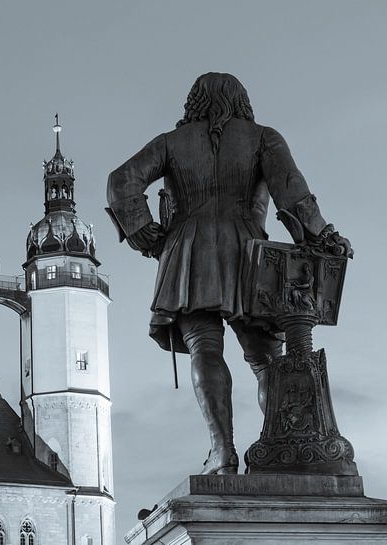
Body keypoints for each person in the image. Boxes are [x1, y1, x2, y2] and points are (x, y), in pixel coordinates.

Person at [106, 72, 352, 474]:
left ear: (194, 103)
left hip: (188, 252)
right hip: (250, 254)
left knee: (204, 347)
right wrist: (324, 236)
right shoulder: (263, 138)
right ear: (242, 101)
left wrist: (145, 232)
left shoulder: (171, 142)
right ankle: (282, 447)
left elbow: (121, 181)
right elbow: (292, 192)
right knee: (267, 361)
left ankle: (222, 452)